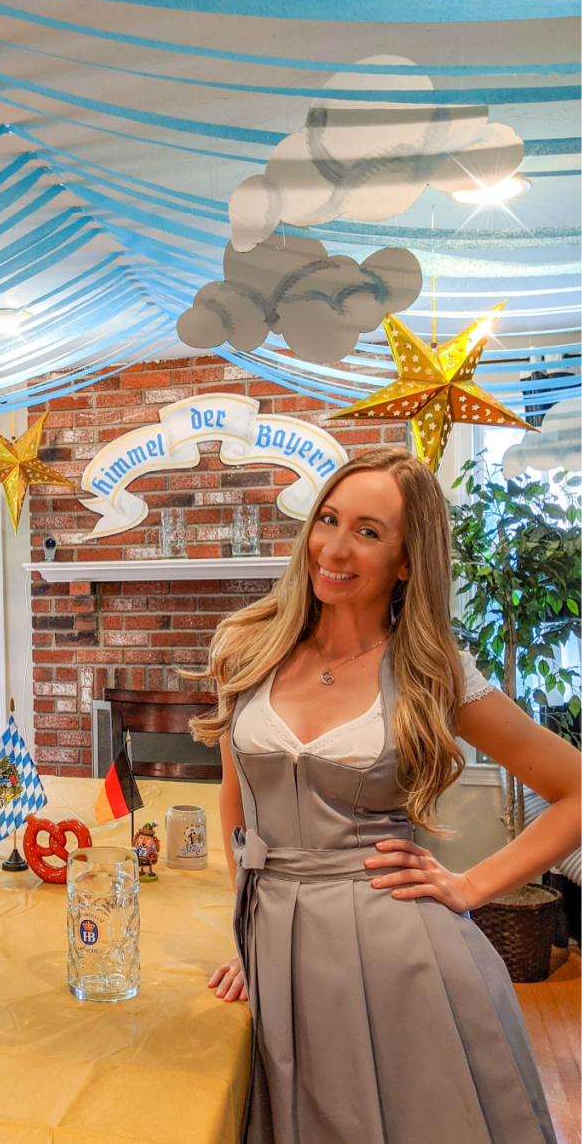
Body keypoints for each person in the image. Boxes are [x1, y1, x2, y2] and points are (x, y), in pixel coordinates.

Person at [192, 446, 581, 1144]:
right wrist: (245, 933)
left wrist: (471, 887)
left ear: (407, 561)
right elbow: (234, 802)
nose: (334, 548)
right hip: (276, 939)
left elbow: (575, 789)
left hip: (402, 959)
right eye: (329, 519)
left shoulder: (435, 673)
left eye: (369, 532)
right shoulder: (247, 648)